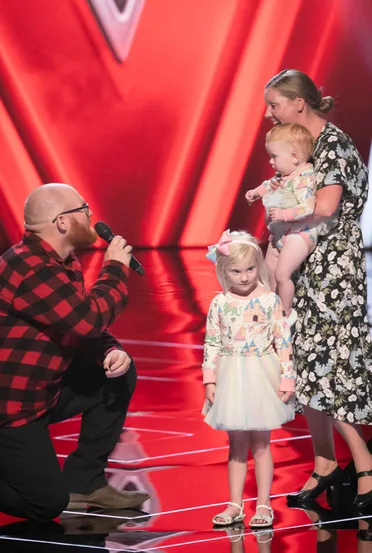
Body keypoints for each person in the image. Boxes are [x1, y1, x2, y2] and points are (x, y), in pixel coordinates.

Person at [0, 183, 149, 525]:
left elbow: (74, 321)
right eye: (84, 209)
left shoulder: (59, 262)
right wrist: (114, 268)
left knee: (119, 373)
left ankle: (86, 481)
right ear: (62, 222)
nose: (92, 216)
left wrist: (111, 348)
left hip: (33, 393)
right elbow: (87, 319)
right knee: (45, 503)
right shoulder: (30, 268)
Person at [260, 69, 372, 508]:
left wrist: (281, 213)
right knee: (304, 364)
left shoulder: (335, 145)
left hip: (332, 268)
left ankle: (364, 464)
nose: (269, 114)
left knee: (331, 369)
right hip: (306, 258)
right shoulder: (301, 145)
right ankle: (325, 463)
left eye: (274, 105)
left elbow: (325, 208)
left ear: (298, 102)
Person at [202, 230, 295, 528]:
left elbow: (283, 343)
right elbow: (212, 343)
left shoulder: (269, 301)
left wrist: (286, 380)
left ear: (259, 266)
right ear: (224, 271)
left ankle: (264, 504)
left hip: (260, 375)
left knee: (262, 444)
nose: (243, 277)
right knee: (236, 445)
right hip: (231, 377)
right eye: (236, 271)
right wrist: (209, 380)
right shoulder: (219, 303)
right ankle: (234, 504)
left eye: (250, 269)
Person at [245, 123, 318, 324]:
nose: (270, 161)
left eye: (274, 157)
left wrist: (284, 214)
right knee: (268, 274)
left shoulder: (305, 178)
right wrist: (254, 193)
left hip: (299, 234)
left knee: (282, 273)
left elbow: (308, 208)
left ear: (294, 157)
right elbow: (267, 185)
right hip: (279, 234)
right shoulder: (285, 176)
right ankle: (269, 309)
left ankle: (285, 313)